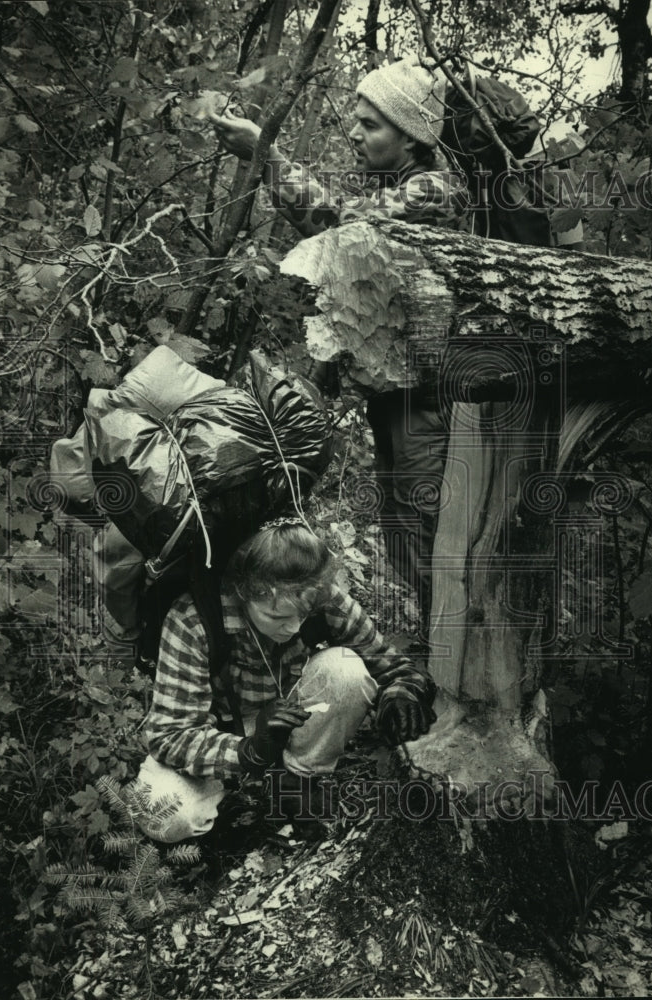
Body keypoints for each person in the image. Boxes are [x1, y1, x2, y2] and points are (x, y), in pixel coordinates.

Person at [210, 59, 470, 638]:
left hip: (432, 404)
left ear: (410, 137)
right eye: (356, 122)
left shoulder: (433, 190)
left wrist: (267, 153)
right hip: (402, 397)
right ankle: (437, 659)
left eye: (370, 125)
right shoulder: (401, 187)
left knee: (432, 537)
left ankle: (463, 673)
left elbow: (339, 227)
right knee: (407, 534)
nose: (355, 134)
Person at [131, 519, 437, 842]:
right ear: (243, 593)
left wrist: (402, 694)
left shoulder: (317, 594)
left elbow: (390, 663)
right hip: (225, 732)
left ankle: (296, 779)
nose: (292, 628)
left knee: (347, 669)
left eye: (301, 616)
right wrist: (248, 751)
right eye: (276, 617)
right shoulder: (193, 619)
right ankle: (218, 839)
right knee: (159, 810)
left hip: (295, 711)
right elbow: (169, 735)